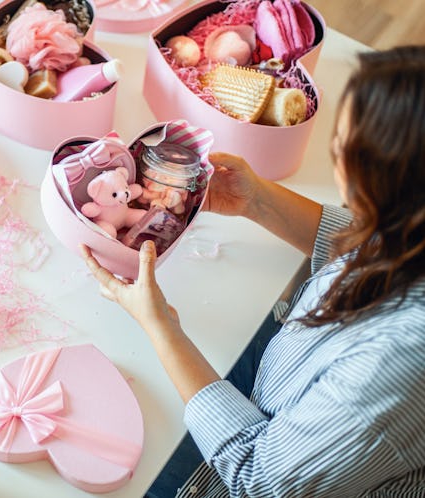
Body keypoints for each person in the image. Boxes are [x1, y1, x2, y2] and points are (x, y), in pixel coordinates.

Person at [81, 45, 425, 497]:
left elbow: (258, 478)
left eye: (340, 151)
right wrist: (257, 200)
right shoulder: (410, 232)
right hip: (284, 378)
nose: (335, 157)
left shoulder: (396, 366)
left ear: (389, 189)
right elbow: (372, 246)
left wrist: (161, 327)